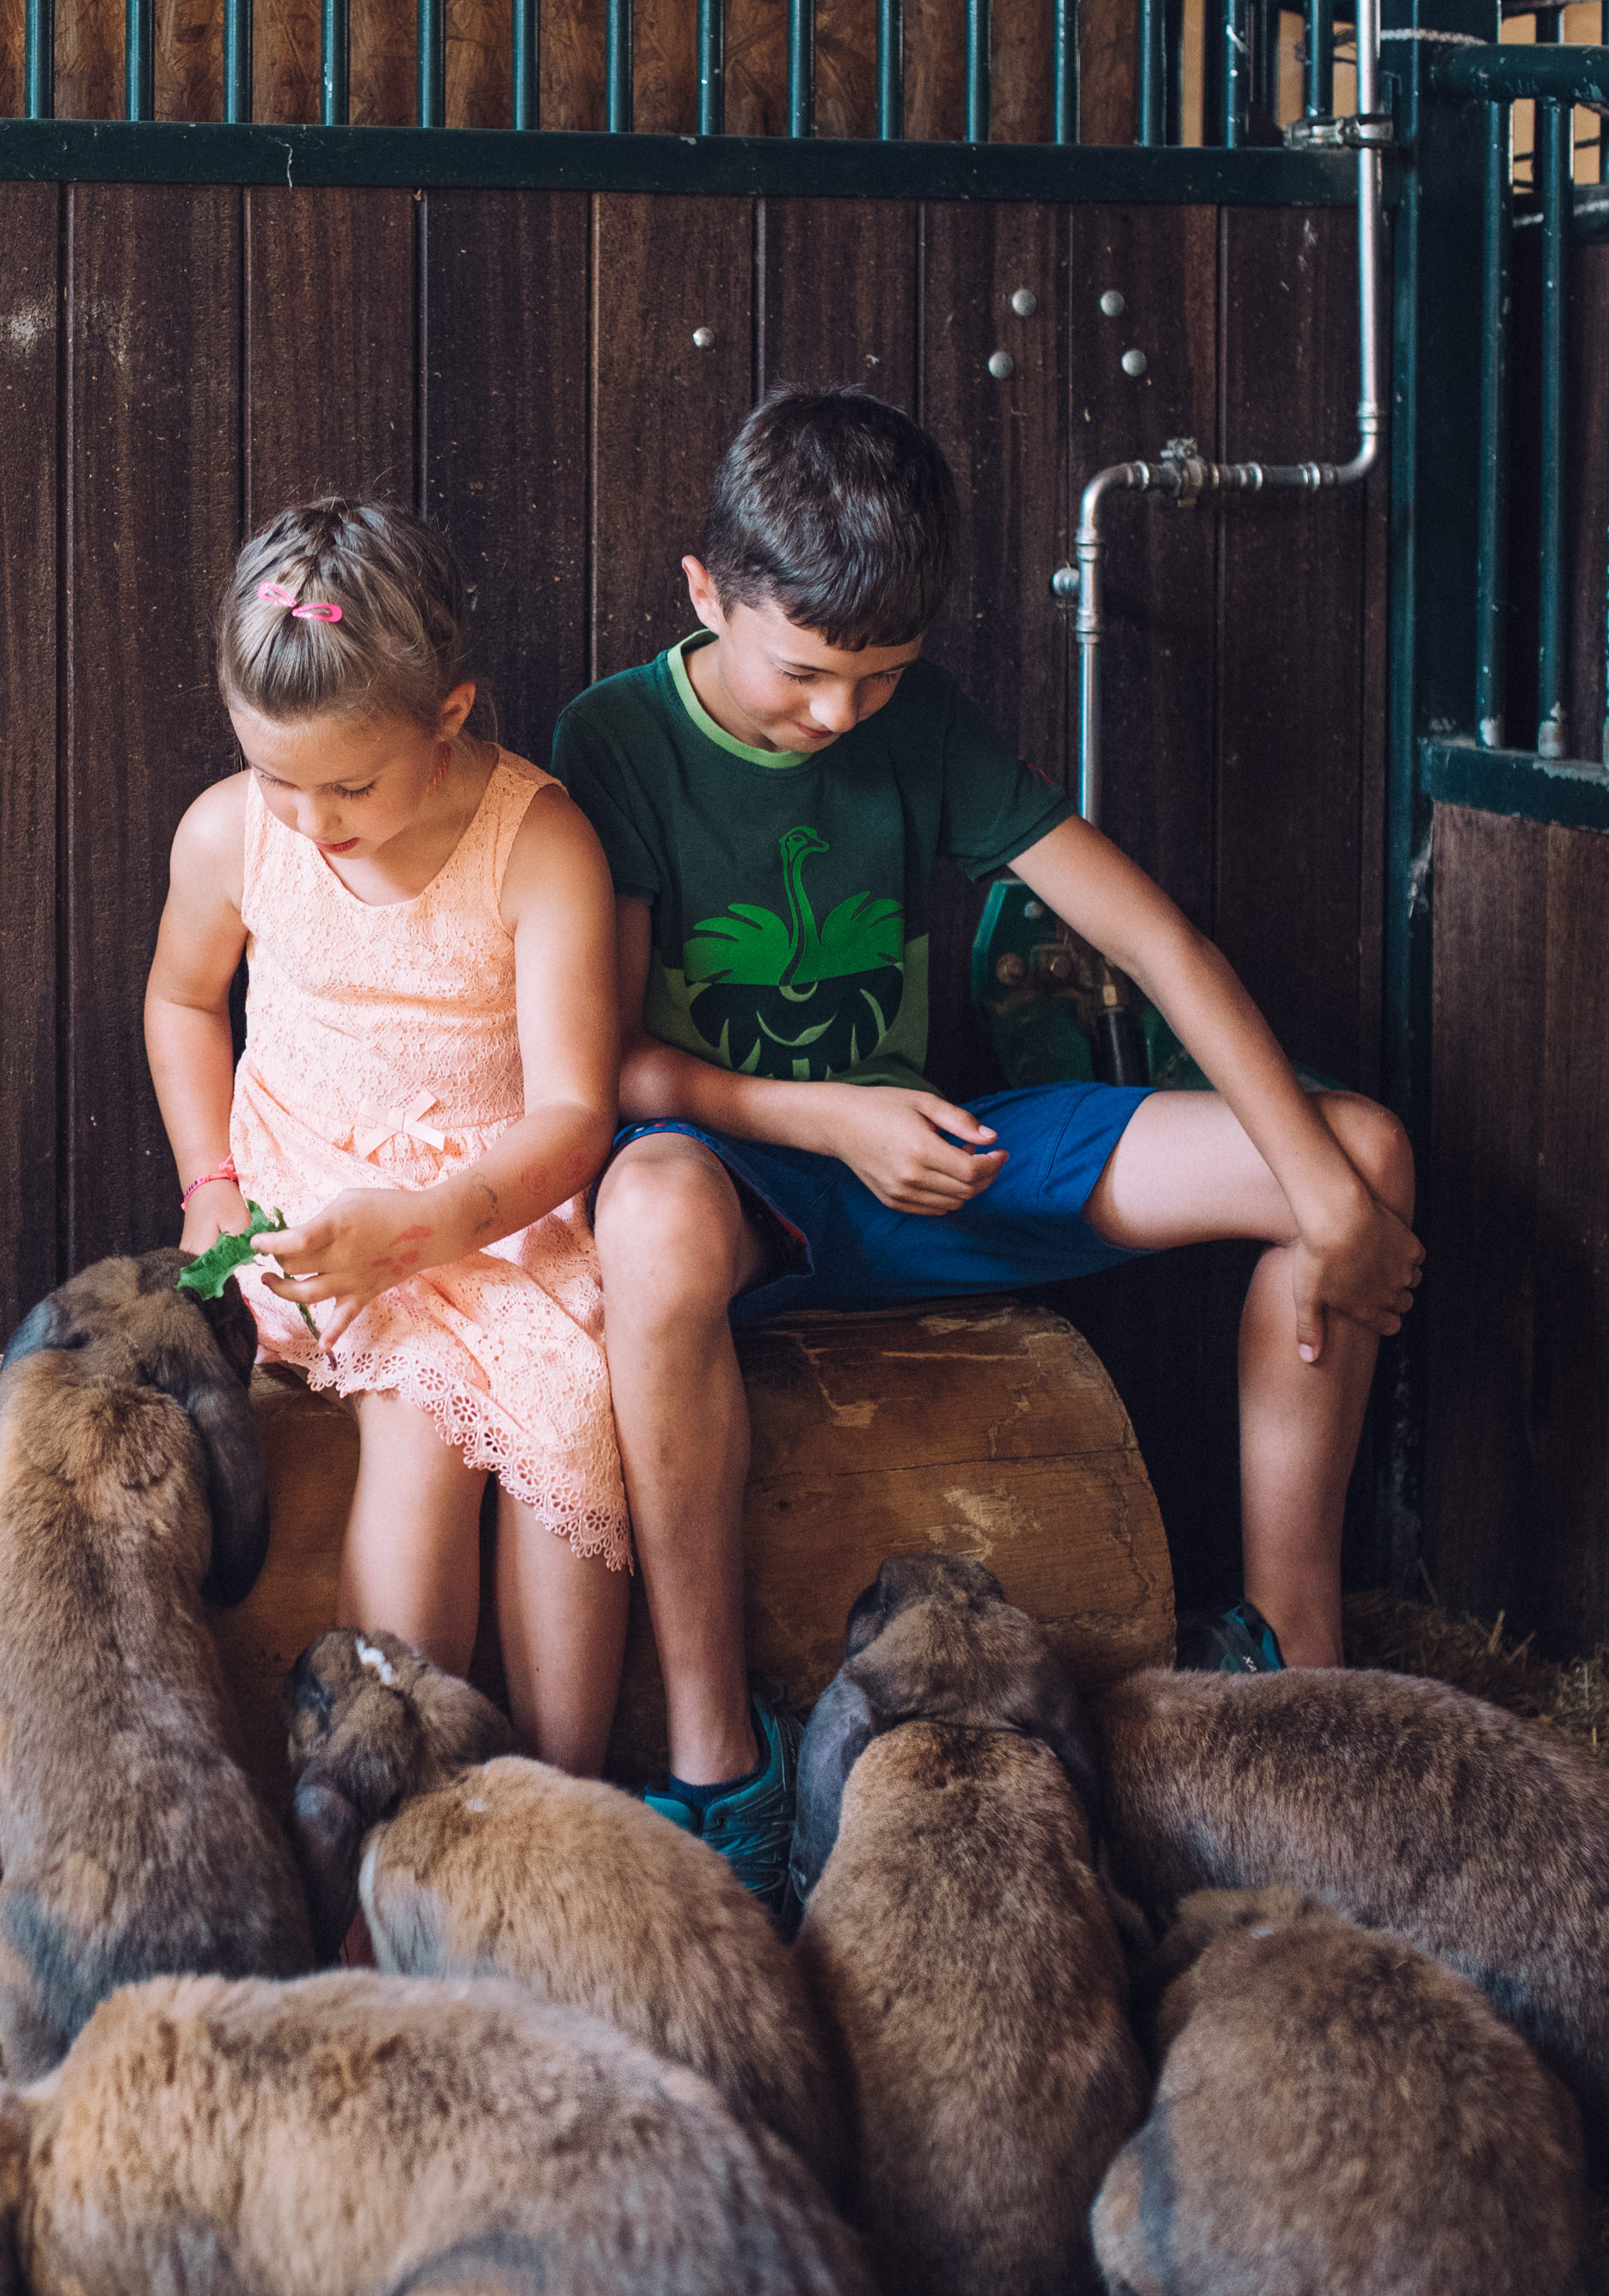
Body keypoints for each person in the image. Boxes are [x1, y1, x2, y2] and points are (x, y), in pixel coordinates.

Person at [555, 387, 1423, 1912]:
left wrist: (1334, 1210)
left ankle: (1293, 1653)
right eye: (807, 672)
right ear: (706, 592)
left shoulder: (928, 721)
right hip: (752, 1181)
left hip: (940, 1166)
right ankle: (721, 1774)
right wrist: (831, 1118)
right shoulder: (616, 736)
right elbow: (613, 1059)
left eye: (878, 680)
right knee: (651, 1208)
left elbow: (1149, 932)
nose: (839, 717)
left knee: (1354, 1148)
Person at [144, 497, 632, 1777]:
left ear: (451, 714)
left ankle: (556, 1789)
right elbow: (183, 1000)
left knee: (561, 1400)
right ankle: (389, 1792)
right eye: (277, 777)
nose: (310, 818)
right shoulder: (230, 833)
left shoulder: (541, 848)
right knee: (421, 1419)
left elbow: (577, 1114)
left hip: (486, 1201)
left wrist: (424, 1231)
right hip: (300, 1194)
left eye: (350, 783)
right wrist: (210, 1185)